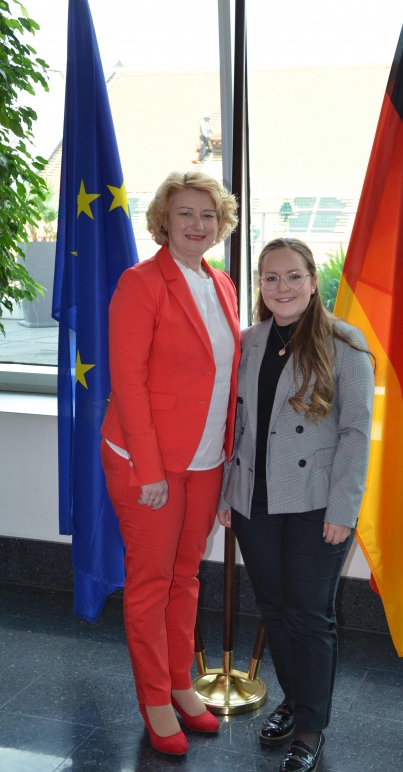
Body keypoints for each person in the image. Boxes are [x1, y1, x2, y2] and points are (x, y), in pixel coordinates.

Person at [218, 237, 374, 772]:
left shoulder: (344, 343)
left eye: (292, 276)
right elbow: (238, 425)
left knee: (309, 616)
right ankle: (292, 698)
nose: (281, 287)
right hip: (254, 500)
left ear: (312, 282)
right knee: (274, 609)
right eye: (270, 277)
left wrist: (342, 510)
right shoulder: (249, 341)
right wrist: (228, 493)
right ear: (259, 285)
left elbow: (356, 432)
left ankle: (310, 728)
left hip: (315, 503)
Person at [100, 170, 240, 755]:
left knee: (185, 577)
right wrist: (150, 470)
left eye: (207, 214)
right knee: (151, 583)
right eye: (185, 213)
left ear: (221, 224)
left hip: (205, 460)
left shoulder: (222, 283)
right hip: (148, 461)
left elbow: (224, 378)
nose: (197, 224)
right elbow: (128, 382)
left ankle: (181, 684)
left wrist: (227, 466)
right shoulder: (141, 283)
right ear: (164, 220)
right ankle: (155, 699)